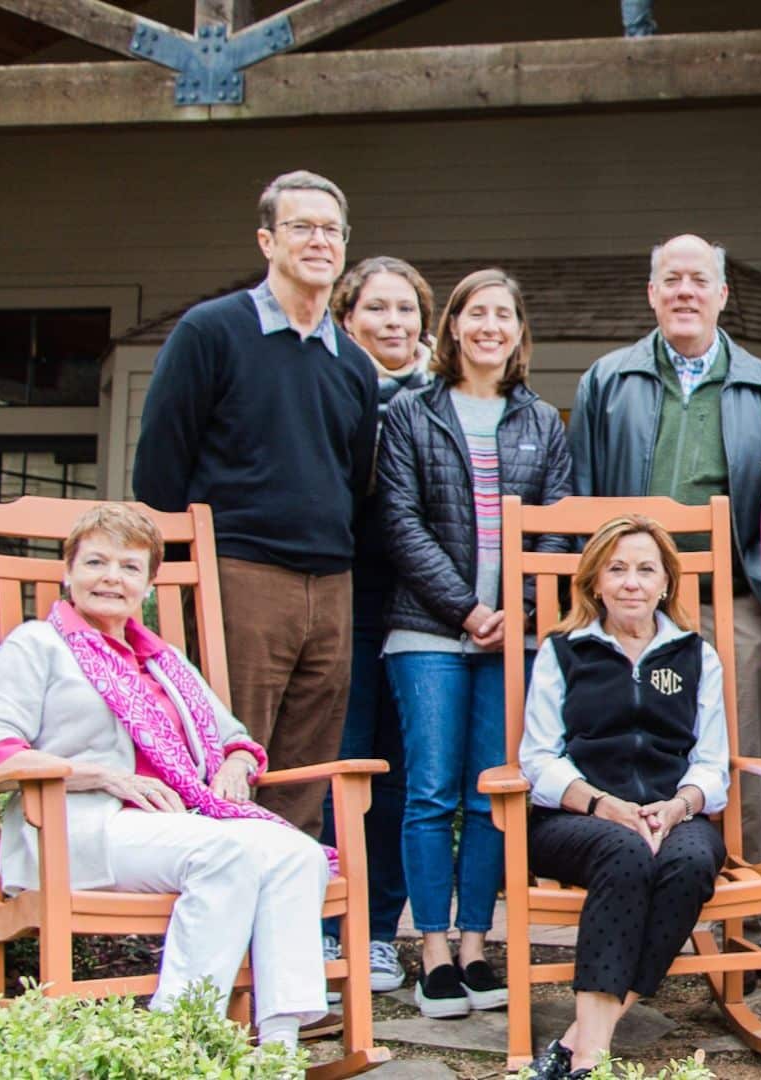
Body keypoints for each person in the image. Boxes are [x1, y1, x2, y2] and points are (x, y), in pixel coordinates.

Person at [0, 504, 331, 1050]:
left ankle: (277, 1044)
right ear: (68, 572)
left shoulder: (163, 661)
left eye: (130, 567)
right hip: (72, 829)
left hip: (173, 825)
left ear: (148, 584)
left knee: (295, 851)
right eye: (96, 562)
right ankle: (183, 1037)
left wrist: (233, 762)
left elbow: (235, 737)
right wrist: (100, 776)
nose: (112, 577)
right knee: (228, 853)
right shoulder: (36, 645)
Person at [133, 170, 378, 836]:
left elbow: (355, 482)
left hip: (330, 586)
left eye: (332, 230)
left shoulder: (353, 365)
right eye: (302, 227)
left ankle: (283, 933)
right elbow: (157, 472)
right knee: (226, 764)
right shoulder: (210, 333)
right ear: (267, 240)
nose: (319, 241)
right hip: (238, 576)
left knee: (305, 774)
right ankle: (222, 937)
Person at [569, 234, 761, 893]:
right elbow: (582, 494)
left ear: (723, 295)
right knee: (629, 743)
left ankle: (748, 909)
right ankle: (630, 895)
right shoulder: (607, 381)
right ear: (652, 293)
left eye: (700, 280)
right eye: (672, 280)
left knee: (743, 752)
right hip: (630, 602)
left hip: (735, 597)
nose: (685, 292)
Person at [378, 269, 574, 1018]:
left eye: (505, 316)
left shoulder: (541, 422)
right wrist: (466, 609)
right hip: (425, 628)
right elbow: (399, 523)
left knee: (492, 793)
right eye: (476, 313)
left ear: (521, 335)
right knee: (430, 789)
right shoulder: (410, 414)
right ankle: (431, 952)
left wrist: (515, 610)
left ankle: (474, 946)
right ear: (452, 326)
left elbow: (555, 529)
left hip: (513, 636)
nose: (491, 326)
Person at [519, 516, 731, 1080]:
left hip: (672, 811)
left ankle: (576, 1042)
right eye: (616, 569)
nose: (631, 582)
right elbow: (538, 759)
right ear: (595, 582)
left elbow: (712, 763)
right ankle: (591, 1058)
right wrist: (602, 804)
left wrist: (680, 805)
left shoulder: (695, 656)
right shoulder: (564, 652)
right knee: (627, 852)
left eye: (645, 569)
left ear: (666, 582)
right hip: (576, 820)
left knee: (690, 861)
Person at [320, 254, 435, 993]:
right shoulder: (329, 386)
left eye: (405, 311)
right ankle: (336, 926)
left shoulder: (438, 399)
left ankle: (381, 933)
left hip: (422, 607)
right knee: (346, 765)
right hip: (350, 599)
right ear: (347, 316)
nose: (392, 323)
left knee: (397, 776)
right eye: (378, 309)